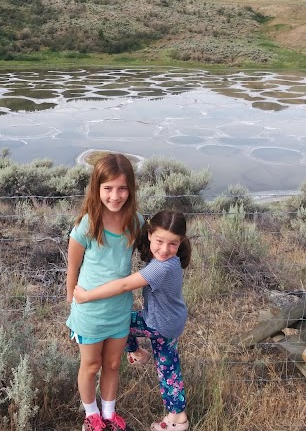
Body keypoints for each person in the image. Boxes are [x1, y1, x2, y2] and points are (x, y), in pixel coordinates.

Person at [74, 210, 191, 431]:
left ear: (180, 242)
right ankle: (178, 417)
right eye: (160, 241)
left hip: (159, 323)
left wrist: (87, 295)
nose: (164, 249)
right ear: (149, 235)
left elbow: (124, 285)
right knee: (168, 368)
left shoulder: (161, 266)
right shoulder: (172, 261)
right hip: (174, 320)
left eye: (172, 244)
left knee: (120, 322)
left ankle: (136, 352)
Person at [66, 153, 143, 431]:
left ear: (131, 189)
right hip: (90, 310)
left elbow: (153, 251)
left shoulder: (135, 221)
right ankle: (91, 416)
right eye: (108, 188)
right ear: (96, 188)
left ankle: (109, 416)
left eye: (122, 188)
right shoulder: (88, 224)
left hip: (119, 309)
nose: (115, 196)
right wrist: (72, 301)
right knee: (90, 365)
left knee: (112, 364)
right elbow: (72, 267)